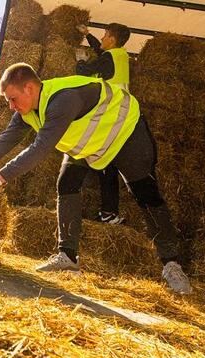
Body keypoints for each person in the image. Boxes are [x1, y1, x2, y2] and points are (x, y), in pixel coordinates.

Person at [0, 63, 191, 294]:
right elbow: (4, 140)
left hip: (124, 132)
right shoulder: (26, 111)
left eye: (13, 99)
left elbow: (40, 148)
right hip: (88, 145)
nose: (11, 106)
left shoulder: (63, 99)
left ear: (29, 88)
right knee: (66, 184)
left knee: (145, 193)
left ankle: (172, 265)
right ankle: (68, 257)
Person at [76, 23, 132, 225]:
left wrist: (80, 61)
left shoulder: (110, 58)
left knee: (106, 166)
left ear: (113, 40)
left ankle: (109, 213)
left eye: (105, 35)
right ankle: (109, 212)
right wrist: (88, 35)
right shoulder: (120, 56)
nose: (103, 38)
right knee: (106, 165)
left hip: (109, 118)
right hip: (120, 117)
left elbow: (85, 71)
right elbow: (101, 53)